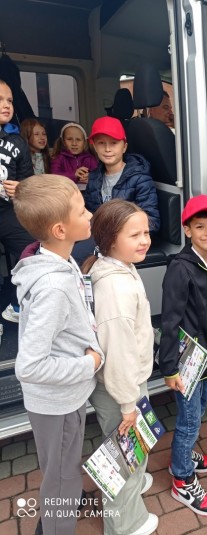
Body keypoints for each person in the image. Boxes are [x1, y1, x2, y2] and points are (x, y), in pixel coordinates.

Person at [11, 174, 104, 535]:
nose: (90, 214)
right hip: (58, 401)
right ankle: (56, 526)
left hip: (61, 398)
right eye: (82, 211)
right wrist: (88, 363)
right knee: (61, 473)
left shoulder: (56, 260)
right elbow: (30, 366)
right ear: (60, 229)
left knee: (61, 464)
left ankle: (65, 498)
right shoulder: (53, 286)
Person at [81, 199, 158, 535]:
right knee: (124, 457)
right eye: (134, 235)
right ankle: (124, 524)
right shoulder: (115, 286)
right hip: (122, 387)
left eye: (146, 233)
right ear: (111, 239)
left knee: (131, 450)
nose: (145, 241)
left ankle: (134, 486)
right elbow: (119, 352)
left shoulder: (118, 266)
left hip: (125, 382)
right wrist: (128, 402)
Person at [158, 194, 207, 516]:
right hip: (187, 361)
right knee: (189, 422)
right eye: (200, 226)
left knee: (198, 413)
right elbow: (169, 322)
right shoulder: (180, 269)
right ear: (187, 230)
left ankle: (184, 456)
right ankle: (182, 478)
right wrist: (169, 368)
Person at [84, 116, 160, 231]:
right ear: (94, 146)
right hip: (100, 237)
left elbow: (151, 222)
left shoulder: (140, 178)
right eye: (101, 143)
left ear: (124, 147)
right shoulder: (93, 178)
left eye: (113, 143)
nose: (107, 149)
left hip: (129, 237)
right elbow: (89, 214)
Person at [0, 79, 34, 325]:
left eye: (10, 101)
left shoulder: (17, 141)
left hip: (8, 210)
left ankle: (16, 304)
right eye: (0, 100)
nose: (6, 105)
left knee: (34, 250)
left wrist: (21, 188)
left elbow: (29, 183)